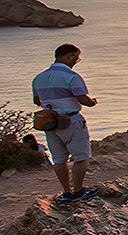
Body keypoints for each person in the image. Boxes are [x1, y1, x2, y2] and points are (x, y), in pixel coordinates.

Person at [31, 43, 99, 202]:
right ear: (69, 56)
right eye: (76, 58)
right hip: (71, 120)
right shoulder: (71, 77)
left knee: (59, 159)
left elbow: (37, 101)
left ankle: (67, 192)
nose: (76, 61)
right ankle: (78, 191)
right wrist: (92, 102)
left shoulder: (38, 78)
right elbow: (83, 99)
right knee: (81, 157)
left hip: (49, 122)